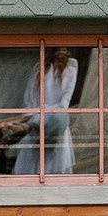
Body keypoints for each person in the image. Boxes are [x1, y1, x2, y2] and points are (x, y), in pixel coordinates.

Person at [14, 46, 80, 175]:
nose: (61, 53)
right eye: (58, 50)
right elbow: (30, 93)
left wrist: (57, 113)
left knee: (56, 155)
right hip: (38, 115)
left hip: (56, 117)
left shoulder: (70, 70)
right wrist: (31, 113)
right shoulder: (41, 69)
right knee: (32, 153)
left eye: (64, 50)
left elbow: (67, 96)